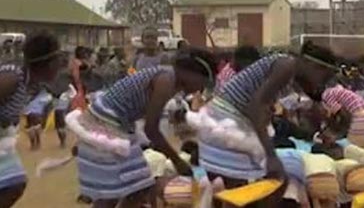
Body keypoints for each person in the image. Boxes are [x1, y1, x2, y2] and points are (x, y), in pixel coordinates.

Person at [186, 41, 338, 205]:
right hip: (227, 124)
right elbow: (255, 107)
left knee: (239, 194)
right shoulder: (287, 65)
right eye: (324, 77)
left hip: (219, 123)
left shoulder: (285, 64)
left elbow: (261, 104)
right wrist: (270, 154)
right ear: (310, 65)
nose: (322, 83)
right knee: (268, 183)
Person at [66, 47, 217, 208]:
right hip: (107, 122)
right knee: (135, 187)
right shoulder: (166, 80)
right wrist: (177, 160)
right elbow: (151, 129)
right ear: (191, 72)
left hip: (108, 121)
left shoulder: (168, 78)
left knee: (121, 189)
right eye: (202, 83)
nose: (198, 90)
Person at [0, 31, 61, 208]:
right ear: (47, 63)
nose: (61, 65)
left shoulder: (31, 84)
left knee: (14, 184)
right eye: (58, 60)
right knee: (14, 184)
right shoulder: (12, 78)